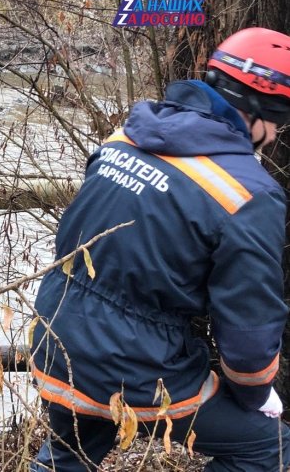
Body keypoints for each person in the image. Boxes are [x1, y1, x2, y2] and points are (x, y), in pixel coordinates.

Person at [30, 27, 290, 471]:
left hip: (58, 335)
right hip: (135, 363)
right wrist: (256, 392)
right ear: (262, 112)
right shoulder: (248, 193)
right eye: (280, 121)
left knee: (69, 454)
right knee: (269, 449)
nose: (276, 135)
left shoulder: (125, 137)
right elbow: (248, 331)